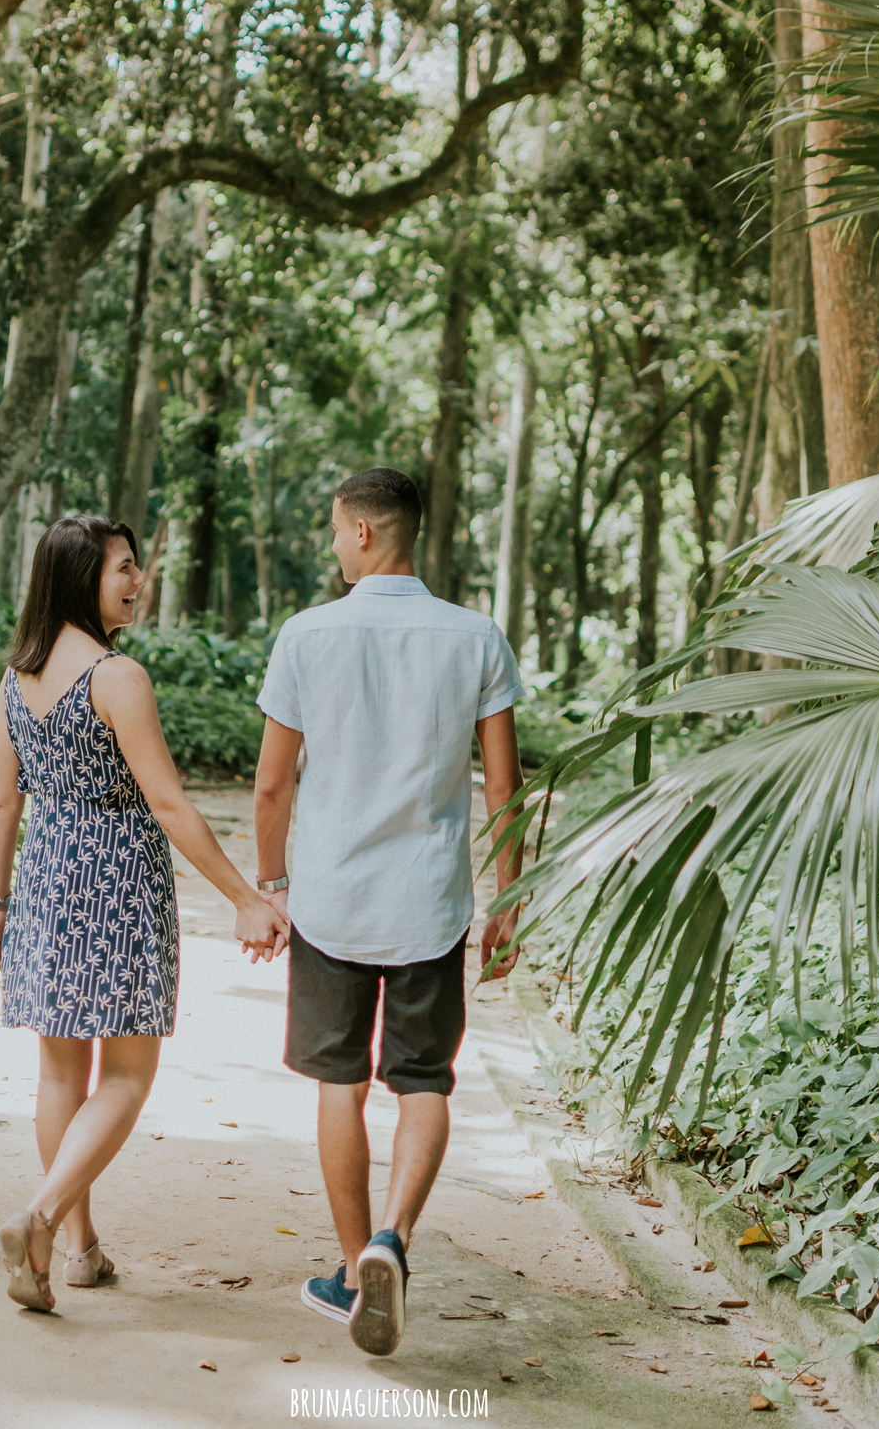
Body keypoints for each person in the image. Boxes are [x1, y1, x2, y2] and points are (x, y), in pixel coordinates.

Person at [253, 467, 526, 1358]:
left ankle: (347, 1260)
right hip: (430, 905)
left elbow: (271, 784)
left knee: (342, 1084)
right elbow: (504, 787)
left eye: (336, 530)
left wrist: (272, 882)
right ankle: (392, 1241)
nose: (333, 546)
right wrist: (506, 901)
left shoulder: (307, 635)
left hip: (333, 900)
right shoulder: (475, 636)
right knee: (423, 1082)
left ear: (365, 532)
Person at [0, 514, 286, 1313]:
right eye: (123, 567)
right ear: (84, 576)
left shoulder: (16, 678)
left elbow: (2, 806)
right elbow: (167, 804)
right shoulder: (117, 677)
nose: (136, 580)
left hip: (47, 878)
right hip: (115, 880)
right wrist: (247, 897)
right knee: (125, 1073)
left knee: (59, 1071)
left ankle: (75, 1252)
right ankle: (44, 1218)